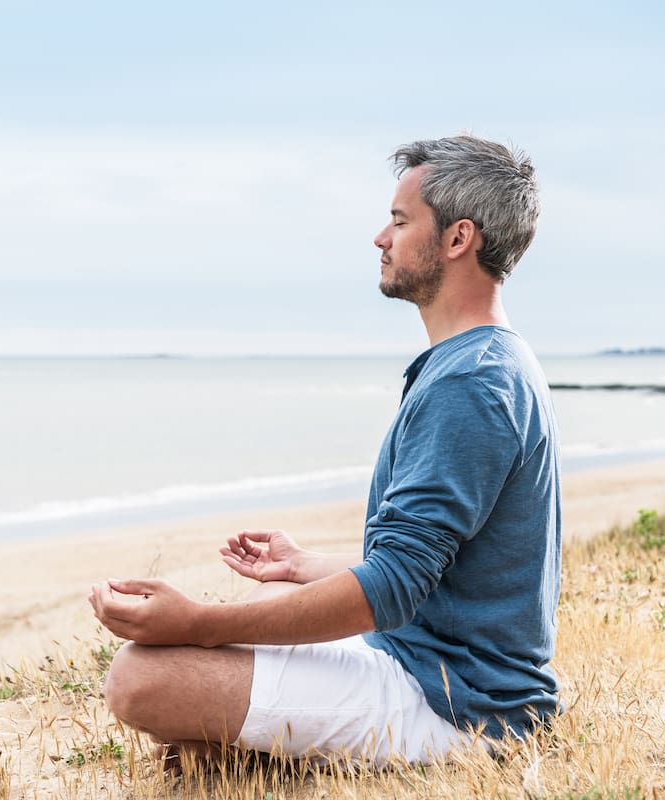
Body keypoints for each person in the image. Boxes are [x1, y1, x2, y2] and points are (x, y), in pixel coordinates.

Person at [88, 134, 561, 767]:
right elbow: (437, 561)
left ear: (457, 239)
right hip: (426, 657)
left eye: (399, 220)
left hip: (457, 705)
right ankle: (242, 753)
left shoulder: (472, 383)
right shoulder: (483, 360)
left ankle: (250, 754)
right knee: (268, 601)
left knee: (139, 678)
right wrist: (302, 565)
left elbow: (394, 586)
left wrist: (196, 623)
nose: (380, 238)